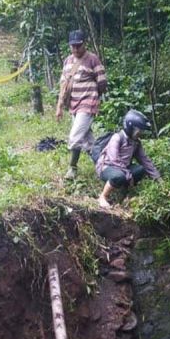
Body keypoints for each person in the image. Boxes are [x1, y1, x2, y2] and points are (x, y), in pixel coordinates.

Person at [56, 29, 107, 180]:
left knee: (75, 136)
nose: (76, 49)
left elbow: (102, 82)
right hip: (73, 104)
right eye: (73, 46)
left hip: (87, 102)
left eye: (79, 45)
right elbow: (63, 85)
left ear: (84, 44)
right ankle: (103, 166)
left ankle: (72, 168)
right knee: (88, 140)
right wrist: (59, 107)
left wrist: (94, 97)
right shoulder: (67, 61)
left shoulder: (92, 59)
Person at [95, 109, 161, 209]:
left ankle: (124, 195)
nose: (140, 133)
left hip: (123, 168)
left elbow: (145, 161)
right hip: (107, 166)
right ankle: (103, 197)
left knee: (140, 169)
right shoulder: (117, 137)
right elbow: (114, 159)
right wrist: (127, 173)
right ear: (131, 127)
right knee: (119, 176)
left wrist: (158, 178)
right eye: (138, 130)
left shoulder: (136, 143)